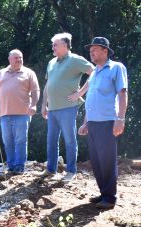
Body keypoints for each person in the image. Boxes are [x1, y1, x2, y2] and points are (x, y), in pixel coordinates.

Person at [77, 37, 128, 210]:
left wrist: (120, 119)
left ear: (105, 50)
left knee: (107, 160)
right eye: (90, 50)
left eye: (95, 49)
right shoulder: (95, 72)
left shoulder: (116, 68)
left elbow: (122, 94)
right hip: (93, 123)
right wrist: (85, 123)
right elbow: (90, 100)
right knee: (97, 161)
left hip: (107, 122)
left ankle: (110, 197)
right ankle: (103, 192)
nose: (91, 52)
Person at [41, 32, 94, 182]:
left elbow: (95, 73)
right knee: (51, 140)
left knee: (69, 140)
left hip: (68, 107)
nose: (53, 47)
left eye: (55, 44)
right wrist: (44, 104)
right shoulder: (51, 62)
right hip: (52, 109)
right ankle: (50, 169)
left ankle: (71, 171)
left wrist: (80, 92)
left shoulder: (75, 60)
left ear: (65, 45)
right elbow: (48, 85)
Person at [0, 49, 40, 174]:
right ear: (9, 59)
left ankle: (19, 167)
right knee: (7, 141)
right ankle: (10, 165)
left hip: (23, 113)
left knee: (20, 140)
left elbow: (35, 91)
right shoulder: (1, 73)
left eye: (21, 57)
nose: (19, 60)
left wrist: (34, 105)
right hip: (5, 114)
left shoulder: (29, 73)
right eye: (16, 58)